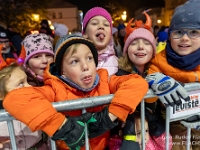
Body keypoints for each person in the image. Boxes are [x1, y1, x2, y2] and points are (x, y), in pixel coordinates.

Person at [3, 35, 149, 150]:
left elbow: (137, 83)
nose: (85, 66)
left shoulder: (104, 81)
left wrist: (108, 117)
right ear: (63, 72)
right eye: (74, 61)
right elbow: (14, 98)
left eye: (89, 58)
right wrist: (63, 126)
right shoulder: (54, 88)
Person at [148, 0, 200, 149]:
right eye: (178, 32)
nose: (185, 38)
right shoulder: (159, 61)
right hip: (174, 127)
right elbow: (148, 99)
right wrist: (153, 82)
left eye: (194, 32)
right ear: (170, 36)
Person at [0, 62, 50, 149]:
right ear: (1, 94)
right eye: (21, 83)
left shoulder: (36, 107)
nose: (29, 86)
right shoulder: (2, 120)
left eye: (27, 81)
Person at [82, 7, 118, 76]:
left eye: (106, 25)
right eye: (94, 23)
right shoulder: (78, 62)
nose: (101, 26)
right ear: (85, 33)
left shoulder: (119, 64)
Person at [108, 111, 172, 150]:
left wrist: (157, 129)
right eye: (138, 133)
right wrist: (129, 141)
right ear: (123, 134)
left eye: (146, 131)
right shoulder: (117, 144)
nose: (144, 137)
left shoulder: (150, 142)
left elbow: (167, 145)